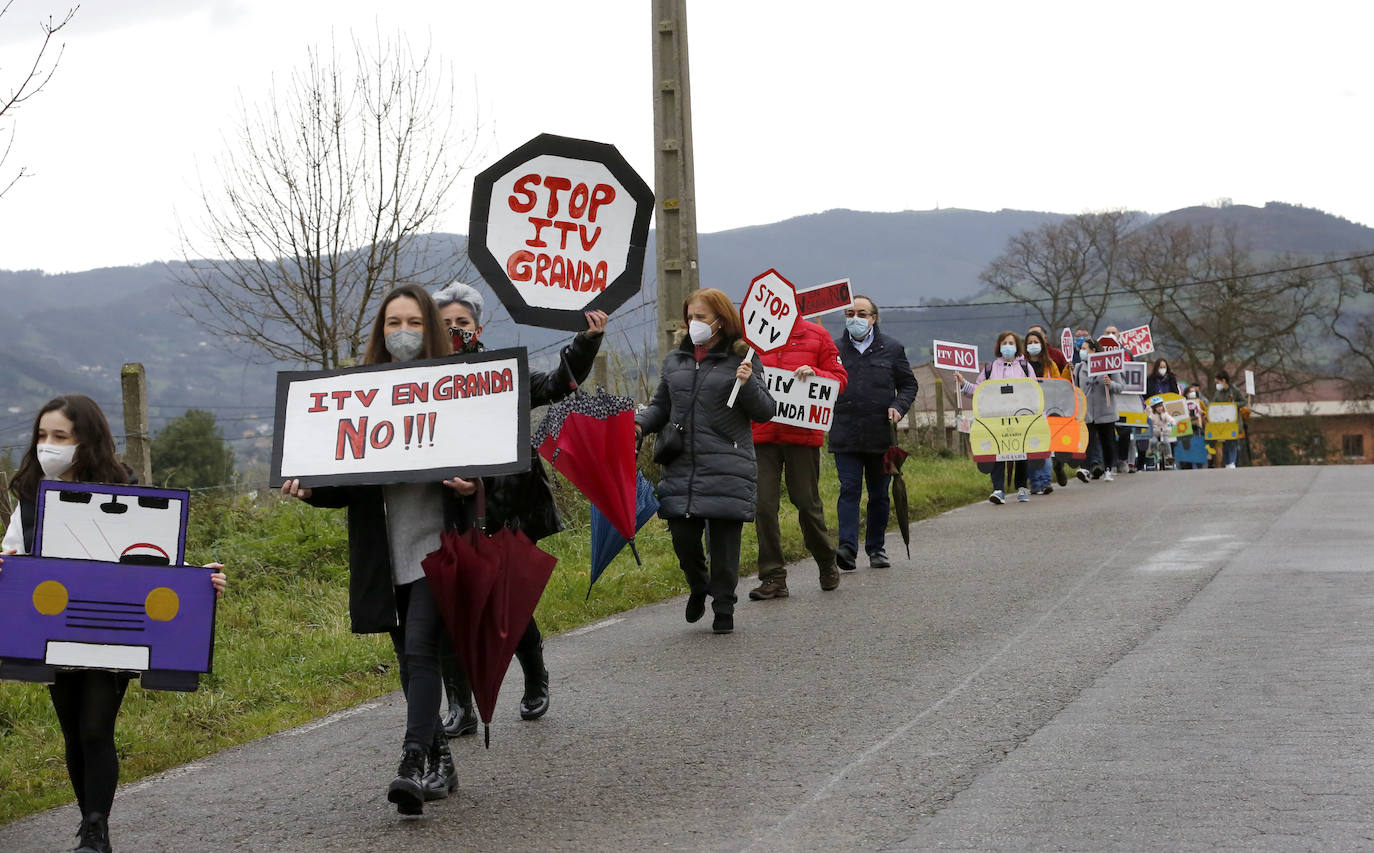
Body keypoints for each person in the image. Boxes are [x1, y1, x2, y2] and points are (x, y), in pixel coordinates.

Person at [1, 395, 227, 853]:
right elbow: (15, 554)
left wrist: (202, 580)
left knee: (94, 728)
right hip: (56, 633)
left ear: (85, 440)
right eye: (42, 436)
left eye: (59, 436)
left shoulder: (123, 490)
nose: (48, 446)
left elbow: (154, 557)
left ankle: (95, 828)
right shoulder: (28, 497)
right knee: (71, 731)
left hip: (114, 634)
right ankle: (91, 829)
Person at [282, 284, 471, 815]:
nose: (403, 333)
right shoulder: (358, 395)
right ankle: (441, 762)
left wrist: (473, 486)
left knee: (419, 651)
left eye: (414, 322)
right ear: (379, 332)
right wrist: (311, 489)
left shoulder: (458, 389)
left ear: (429, 327)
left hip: (438, 549)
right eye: (393, 323)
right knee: (409, 664)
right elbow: (346, 485)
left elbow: (495, 466)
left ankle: (411, 762)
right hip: (384, 557)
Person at [429, 281, 607, 743]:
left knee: (504, 602)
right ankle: (460, 706)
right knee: (447, 605)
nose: (454, 330)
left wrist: (585, 343)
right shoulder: (418, 380)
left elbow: (557, 384)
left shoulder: (503, 372)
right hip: (442, 509)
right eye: (445, 324)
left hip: (505, 504)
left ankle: (535, 678)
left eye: (462, 323)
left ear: (478, 327)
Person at [635, 288, 774, 634]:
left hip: (728, 465)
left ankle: (724, 607)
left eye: (701, 317)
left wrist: (748, 383)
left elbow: (766, 411)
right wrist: (638, 425)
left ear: (720, 321)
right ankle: (699, 585)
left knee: (725, 547)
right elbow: (660, 408)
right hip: (681, 466)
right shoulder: (675, 361)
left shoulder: (743, 358)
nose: (693, 323)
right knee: (683, 540)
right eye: (690, 317)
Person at [748, 315, 848, 600]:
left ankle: (827, 562)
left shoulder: (816, 335)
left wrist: (818, 374)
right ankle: (773, 577)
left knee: (807, 503)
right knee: (763, 507)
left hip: (802, 435)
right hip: (762, 435)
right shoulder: (753, 337)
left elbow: (840, 379)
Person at [829, 296, 918, 567]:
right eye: (850, 313)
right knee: (849, 489)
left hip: (881, 437)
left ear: (873, 318)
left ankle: (876, 548)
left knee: (879, 494)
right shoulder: (833, 349)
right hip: (845, 433)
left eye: (861, 313)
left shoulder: (891, 348)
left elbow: (908, 385)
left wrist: (898, 407)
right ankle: (846, 548)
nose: (855, 318)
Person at [956, 331, 1034, 503]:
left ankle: (1022, 487)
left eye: (1011, 343)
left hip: (1020, 419)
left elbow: (1034, 392)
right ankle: (998, 489)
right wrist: (963, 383)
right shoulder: (990, 369)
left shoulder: (1025, 367)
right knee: (998, 452)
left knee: (1021, 452)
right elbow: (978, 390)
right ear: (999, 346)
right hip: (995, 419)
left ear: (1017, 346)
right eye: (1004, 343)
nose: (1007, 346)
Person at [1023, 328, 1067, 494]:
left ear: (1042, 344)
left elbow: (1059, 384)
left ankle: (1046, 481)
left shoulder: (1050, 364)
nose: (1033, 345)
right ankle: (1035, 484)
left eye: (1036, 342)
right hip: (1027, 411)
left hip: (1047, 411)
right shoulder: (1021, 365)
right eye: (1030, 343)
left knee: (1046, 447)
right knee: (1031, 448)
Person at [1075, 338, 1124, 480]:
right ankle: (1085, 468)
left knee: (1107, 441)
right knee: (1087, 441)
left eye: (1085, 348)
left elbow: (1120, 387)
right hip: (1087, 412)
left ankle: (1108, 468)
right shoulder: (1079, 368)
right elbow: (1077, 389)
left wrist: (1110, 383)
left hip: (1106, 411)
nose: (1082, 352)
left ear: (1093, 350)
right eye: (1081, 349)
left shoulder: (1110, 366)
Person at [1212, 370, 1248, 468]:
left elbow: (1243, 402)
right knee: (1225, 442)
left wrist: (1234, 404)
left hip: (1233, 421)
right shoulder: (1218, 393)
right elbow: (1213, 404)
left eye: (1217, 382)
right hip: (1221, 422)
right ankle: (1228, 462)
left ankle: (1232, 462)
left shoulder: (1234, 390)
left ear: (1223, 380)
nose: (1217, 385)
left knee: (1233, 441)